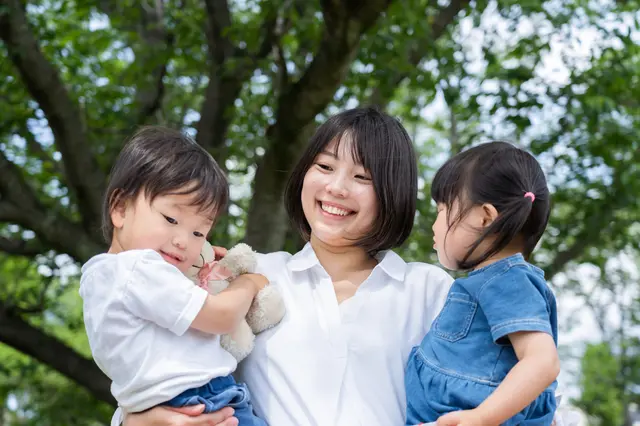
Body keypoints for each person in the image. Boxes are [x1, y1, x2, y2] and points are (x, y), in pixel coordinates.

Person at [116, 107, 454, 426]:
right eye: (324, 167)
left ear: (393, 191)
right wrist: (131, 421)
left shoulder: (429, 291)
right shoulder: (251, 275)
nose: (336, 187)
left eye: (362, 176)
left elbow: (477, 398)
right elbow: (155, 366)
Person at [80, 127, 268, 425]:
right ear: (120, 208)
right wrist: (249, 282)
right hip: (203, 400)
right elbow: (221, 317)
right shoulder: (136, 268)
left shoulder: (101, 278)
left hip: (163, 406)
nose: (183, 241)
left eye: (198, 232)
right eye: (170, 219)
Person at [405, 142, 560, 425]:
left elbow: (542, 361)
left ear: (484, 217)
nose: (434, 225)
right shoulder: (490, 280)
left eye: (442, 210)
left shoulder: (509, 279)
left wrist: (482, 417)